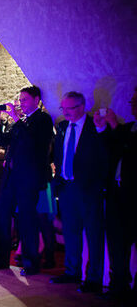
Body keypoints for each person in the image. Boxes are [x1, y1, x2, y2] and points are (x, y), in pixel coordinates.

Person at [0, 85, 54, 276]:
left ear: (36, 99)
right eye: (20, 100)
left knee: (27, 219)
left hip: (29, 177)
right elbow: (5, 141)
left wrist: (17, 119)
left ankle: (31, 262)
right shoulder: (20, 122)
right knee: (2, 215)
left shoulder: (43, 119)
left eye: (24, 100)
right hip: (11, 176)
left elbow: (35, 143)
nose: (20, 103)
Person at [49, 92, 108, 293]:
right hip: (67, 187)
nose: (66, 112)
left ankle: (94, 278)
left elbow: (104, 156)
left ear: (82, 106)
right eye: (63, 108)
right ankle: (72, 272)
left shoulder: (95, 126)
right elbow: (58, 155)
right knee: (71, 232)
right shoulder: (63, 127)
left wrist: (102, 129)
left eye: (70, 108)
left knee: (93, 234)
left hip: (88, 189)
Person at [96, 87, 137, 301]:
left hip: (134, 197)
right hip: (117, 195)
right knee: (116, 242)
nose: (132, 105)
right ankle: (118, 285)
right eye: (132, 101)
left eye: (135, 101)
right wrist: (104, 129)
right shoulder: (128, 128)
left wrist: (114, 127)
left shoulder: (126, 132)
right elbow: (111, 150)